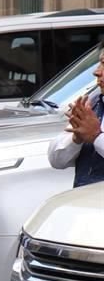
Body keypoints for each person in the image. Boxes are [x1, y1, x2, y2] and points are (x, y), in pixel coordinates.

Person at [48, 44, 104, 187]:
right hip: (84, 205)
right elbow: (57, 160)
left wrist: (96, 136)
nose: (96, 72)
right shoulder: (93, 103)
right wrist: (76, 138)